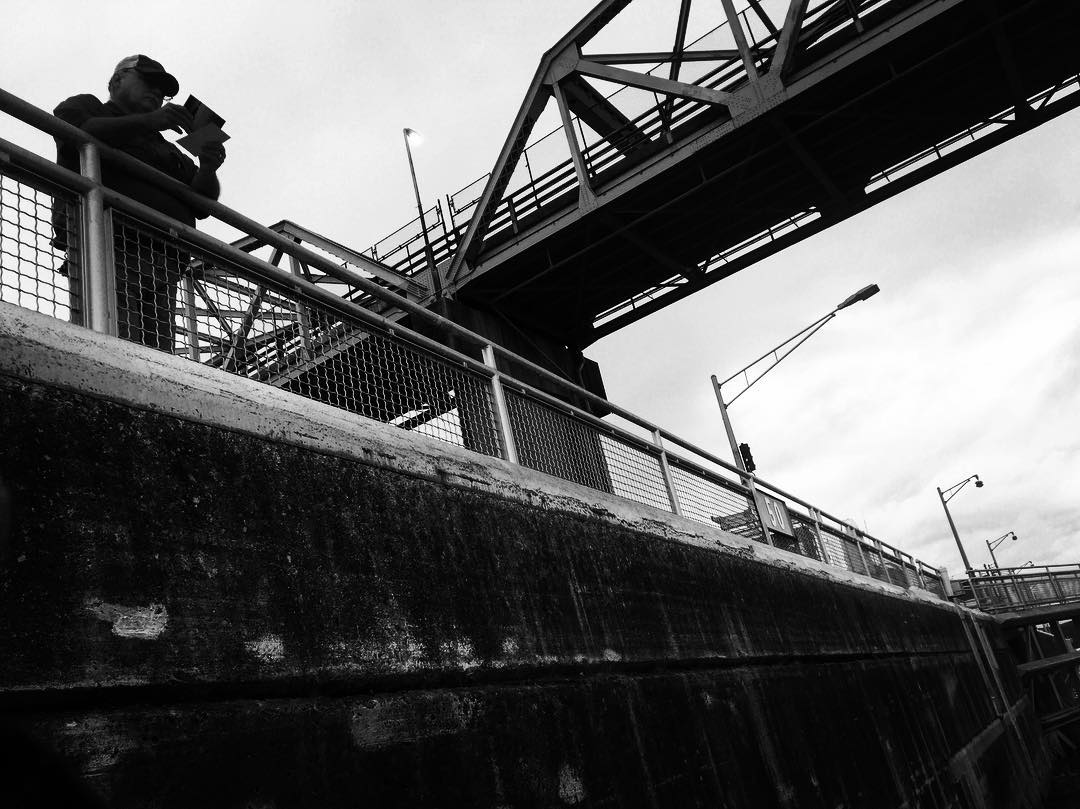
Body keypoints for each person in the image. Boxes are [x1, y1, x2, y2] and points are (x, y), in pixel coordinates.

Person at [52, 55, 226, 350]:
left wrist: (208, 166)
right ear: (117, 81)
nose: (158, 92)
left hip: (164, 262)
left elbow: (205, 201)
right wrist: (153, 120)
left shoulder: (166, 147)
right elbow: (77, 130)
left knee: (159, 360)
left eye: (163, 90)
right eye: (149, 82)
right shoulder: (88, 106)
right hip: (108, 245)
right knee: (118, 348)